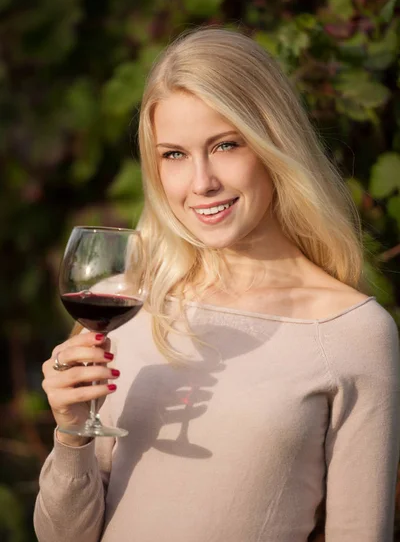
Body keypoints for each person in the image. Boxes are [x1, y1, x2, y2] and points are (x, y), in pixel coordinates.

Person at [34, 27, 400, 542]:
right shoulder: (128, 302)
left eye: (226, 145)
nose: (201, 182)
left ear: (274, 143)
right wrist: (70, 431)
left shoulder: (352, 332)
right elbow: (62, 536)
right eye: (174, 155)